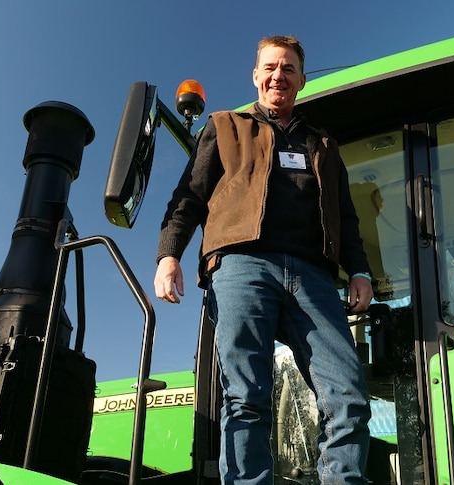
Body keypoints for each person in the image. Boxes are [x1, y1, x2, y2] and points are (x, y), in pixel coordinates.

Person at [154, 35, 373, 485]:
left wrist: (361, 270)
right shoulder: (224, 126)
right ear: (256, 76)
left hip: (314, 274)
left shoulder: (324, 146)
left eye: (289, 69)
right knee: (247, 396)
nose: (279, 76)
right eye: (270, 67)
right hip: (242, 264)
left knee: (348, 395)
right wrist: (168, 254)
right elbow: (189, 196)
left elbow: (346, 218)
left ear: (302, 80)